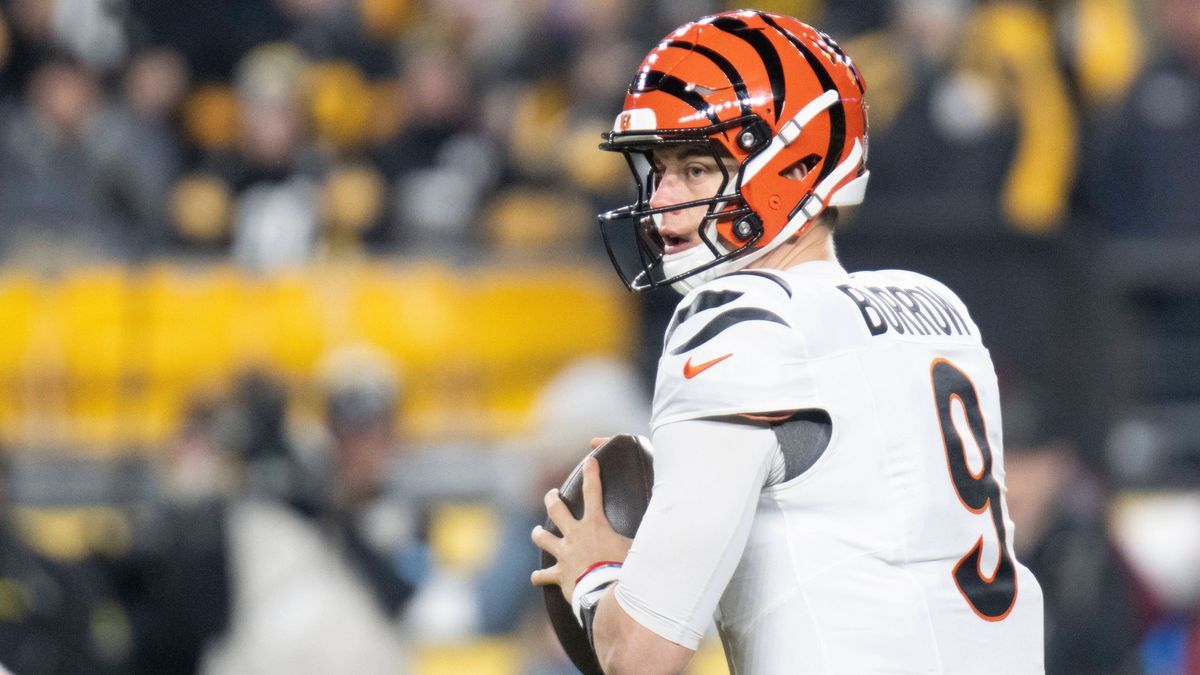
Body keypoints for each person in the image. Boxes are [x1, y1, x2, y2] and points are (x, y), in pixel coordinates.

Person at [530, 10, 1044, 674]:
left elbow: (643, 656)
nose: (663, 200)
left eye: (695, 168)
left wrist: (596, 577)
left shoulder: (737, 320)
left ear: (793, 165)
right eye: (658, 170)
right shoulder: (937, 310)